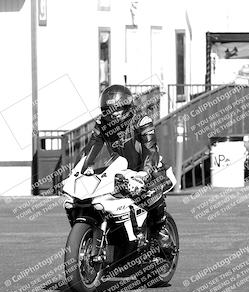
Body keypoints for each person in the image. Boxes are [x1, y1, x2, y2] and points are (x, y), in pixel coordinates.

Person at [74, 84, 176, 251]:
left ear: (126, 107)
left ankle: (160, 230)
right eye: (107, 110)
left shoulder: (142, 121)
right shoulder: (102, 124)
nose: (111, 114)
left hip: (149, 167)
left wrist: (144, 172)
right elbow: (92, 147)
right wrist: (80, 170)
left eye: (115, 109)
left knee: (150, 193)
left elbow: (150, 150)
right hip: (120, 170)